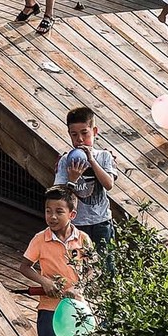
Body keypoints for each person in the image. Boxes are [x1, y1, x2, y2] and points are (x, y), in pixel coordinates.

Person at [24, 186, 89, 336]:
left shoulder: (83, 239)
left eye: (59, 212)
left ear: (72, 214)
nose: (52, 216)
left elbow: (93, 268)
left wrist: (79, 287)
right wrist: (44, 281)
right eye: (48, 211)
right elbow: (25, 266)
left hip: (76, 307)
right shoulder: (40, 239)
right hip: (49, 308)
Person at [53, 105, 117, 256]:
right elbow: (59, 196)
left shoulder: (104, 156)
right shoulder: (65, 161)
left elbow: (108, 185)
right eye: (74, 135)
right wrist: (72, 179)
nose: (80, 139)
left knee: (106, 264)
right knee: (80, 265)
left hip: (101, 222)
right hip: (77, 224)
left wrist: (92, 161)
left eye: (84, 133)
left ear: (94, 132)